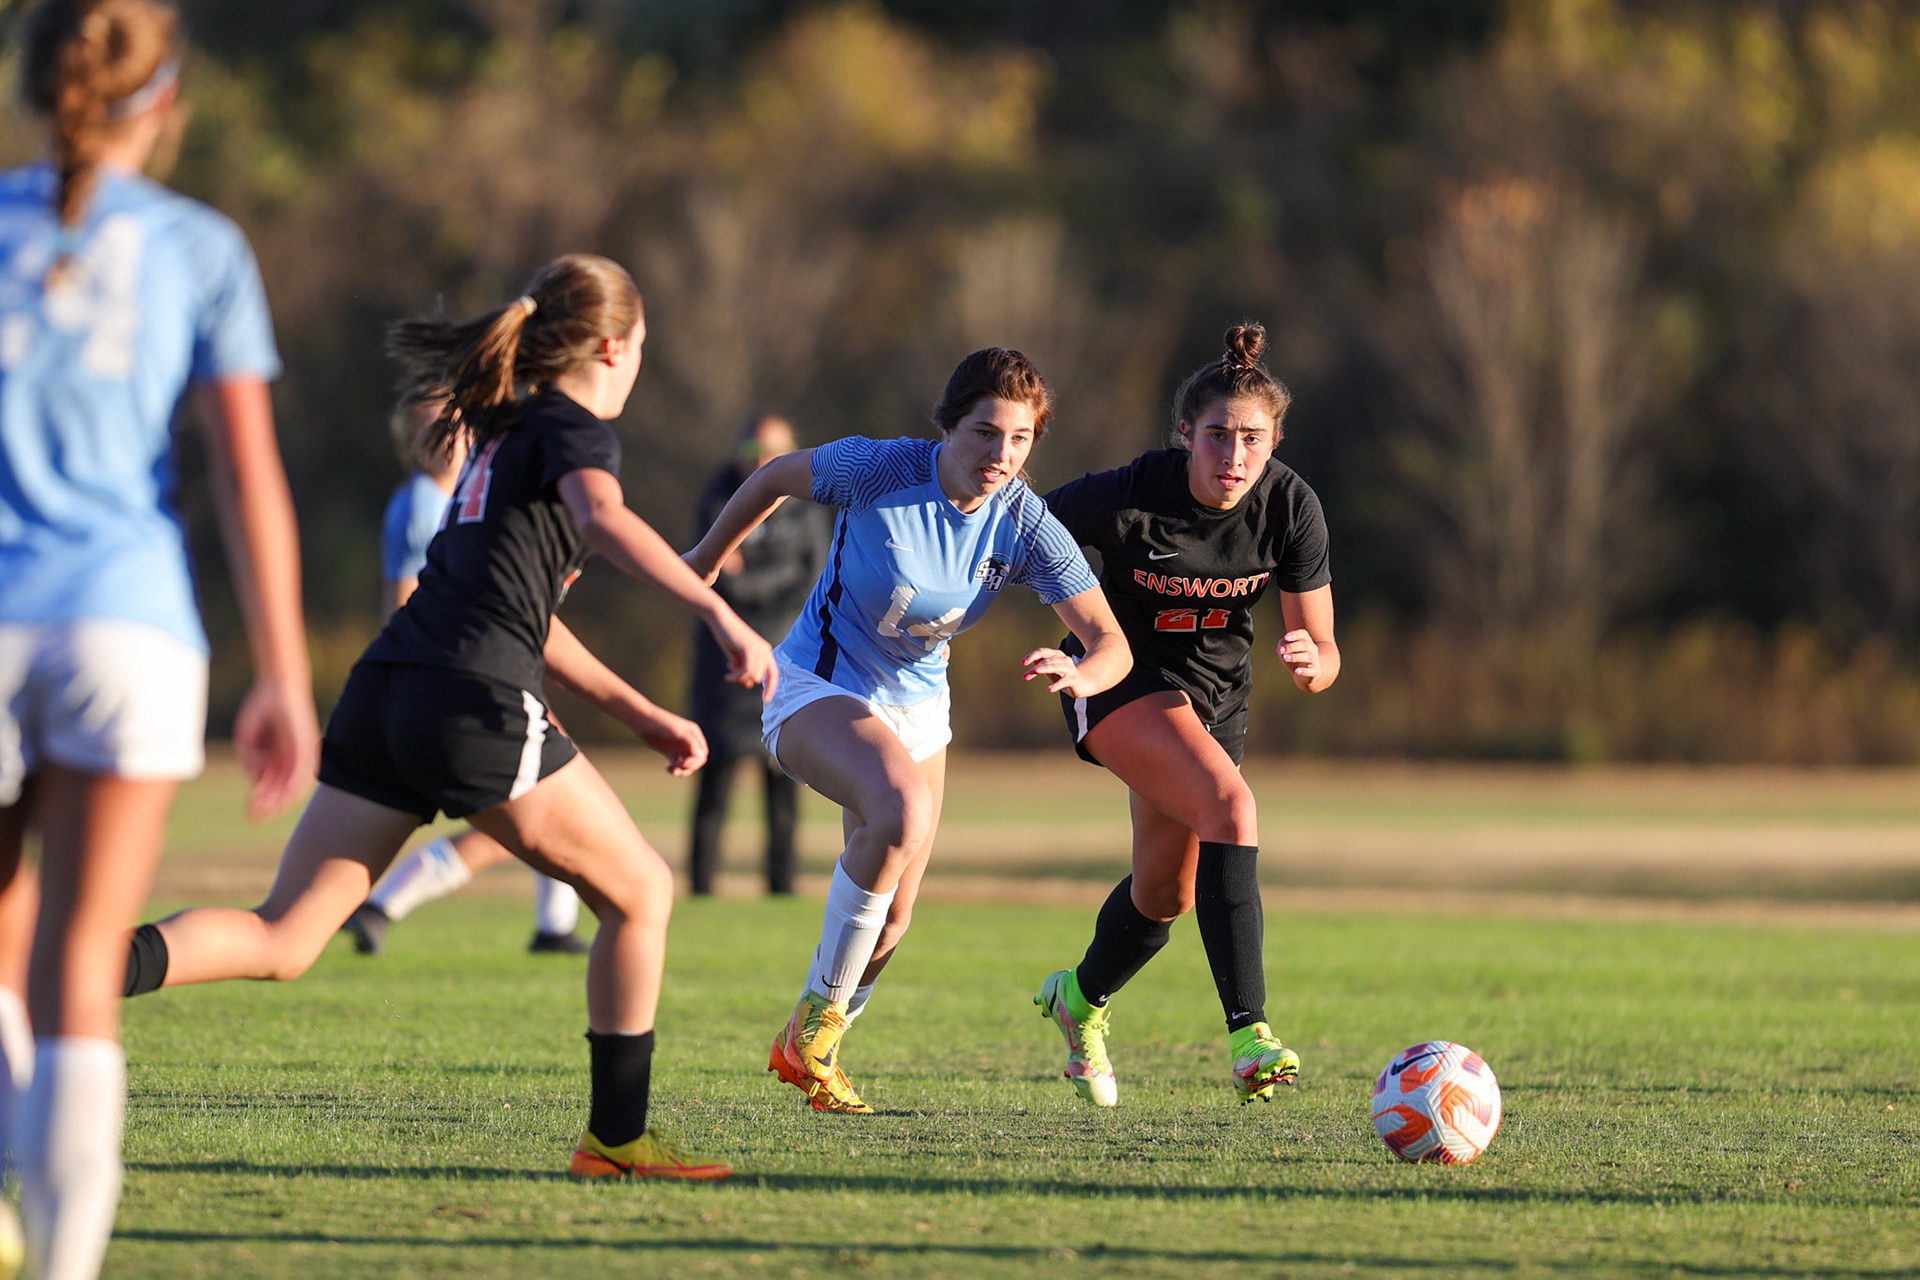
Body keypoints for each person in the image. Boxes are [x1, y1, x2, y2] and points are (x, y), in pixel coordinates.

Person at [117, 253, 777, 1181]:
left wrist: (641, 713)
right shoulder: (570, 429)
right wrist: (716, 611)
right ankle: (617, 1140)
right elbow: (600, 515)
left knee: (284, 937)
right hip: (469, 694)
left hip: (388, 686)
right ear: (615, 348)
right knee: (642, 893)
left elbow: (530, 615)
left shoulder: (504, 434)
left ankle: (77, 969)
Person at [0, 2, 319, 1275]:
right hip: (129, 627)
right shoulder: (201, 244)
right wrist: (284, 671)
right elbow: (249, 477)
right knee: (80, 964)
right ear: (166, 100)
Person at [686, 347, 1131, 1113]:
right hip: (815, 684)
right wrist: (703, 561)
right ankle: (813, 1024)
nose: (1001, 455)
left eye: (1020, 439)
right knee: (902, 811)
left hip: (922, 711)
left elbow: (1111, 644)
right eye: (985, 433)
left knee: (893, 921)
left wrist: (1082, 675)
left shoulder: (1023, 520)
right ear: (947, 427)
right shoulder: (881, 468)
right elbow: (770, 478)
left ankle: (815, 1053)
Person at [1032, 322, 1339, 1108]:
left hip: (1216, 704)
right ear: (1184, 435)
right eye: (1217, 437)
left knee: (1164, 894)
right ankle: (1250, 1034)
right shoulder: (1132, 491)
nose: (1234, 457)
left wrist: (1316, 663)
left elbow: (1324, 648)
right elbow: (1016, 531)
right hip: (1118, 680)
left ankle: (1079, 999)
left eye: (1252, 439)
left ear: (1275, 440)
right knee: (1231, 806)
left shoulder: (1290, 506)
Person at [340, 393, 590, 955]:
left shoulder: (467, 493)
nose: (449, 436)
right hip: (460, 671)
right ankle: (383, 905)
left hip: (485, 663)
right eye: (432, 426)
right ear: (411, 440)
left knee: (543, 795)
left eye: (456, 422)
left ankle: (551, 923)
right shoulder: (423, 504)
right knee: (542, 797)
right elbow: (405, 598)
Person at [686, 410, 830, 895]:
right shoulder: (717, 496)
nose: (762, 461)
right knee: (714, 783)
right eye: (752, 451)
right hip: (723, 660)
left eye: (774, 451)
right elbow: (707, 570)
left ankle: (782, 888)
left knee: (785, 784)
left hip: (785, 659)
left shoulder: (809, 508)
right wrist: (743, 580)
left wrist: (745, 579)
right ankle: (700, 887)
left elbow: (808, 579)